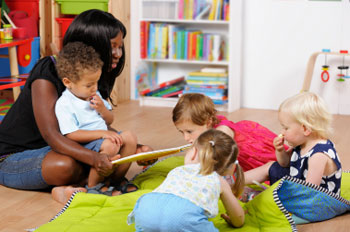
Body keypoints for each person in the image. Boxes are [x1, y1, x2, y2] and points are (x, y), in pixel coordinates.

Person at [0, 9, 151, 193]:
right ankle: (96, 183)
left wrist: (137, 148)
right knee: (67, 165)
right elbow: (53, 136)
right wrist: (94, 158)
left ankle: (94, 184)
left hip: (61, 148)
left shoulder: (94, 76)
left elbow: (93, 125)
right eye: (112, 46)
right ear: (92, 45)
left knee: (112, 148)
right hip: (15, 157)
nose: (118, 53)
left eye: (120, 46)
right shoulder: (47, 71)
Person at [54, 41, 138, 196]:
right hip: (86, 145)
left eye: (96, 83)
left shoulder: (95, 95)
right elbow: (71, 134)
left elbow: (109, 120)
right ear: (68, 82)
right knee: (110, 146)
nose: (94, 88)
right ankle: (93, 187)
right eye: (89, 85)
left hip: (103, 139)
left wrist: (102, 109)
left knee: (130, 137)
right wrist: (103, 133)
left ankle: (116, 180)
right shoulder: (64, 103)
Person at [128, 129, 245, 231]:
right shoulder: (219, 180)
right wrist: (234, 220)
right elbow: (238, 220)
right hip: (182, 217)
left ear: (193, 153)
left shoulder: (177, 170)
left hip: (146, 210)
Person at [244, 92, 342, 195]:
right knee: (271, 166)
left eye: (286, 128)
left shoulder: (318, 155)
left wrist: (274, 194)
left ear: (305, 129)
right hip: (299, 183)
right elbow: (285, 163)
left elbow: (309, 193)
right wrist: (280, 150)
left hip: (317, 200)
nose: (282, 132)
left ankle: (260, 195)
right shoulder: (303, 143)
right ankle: (234, 182)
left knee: (274, 192)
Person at [172, 93, 283, 172]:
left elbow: (218, 156)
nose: (186, 137)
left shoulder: (222, 132)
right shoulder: (205, 127)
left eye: (189, 131)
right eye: (181, 132)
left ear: (208, 122)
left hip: (249, 151)